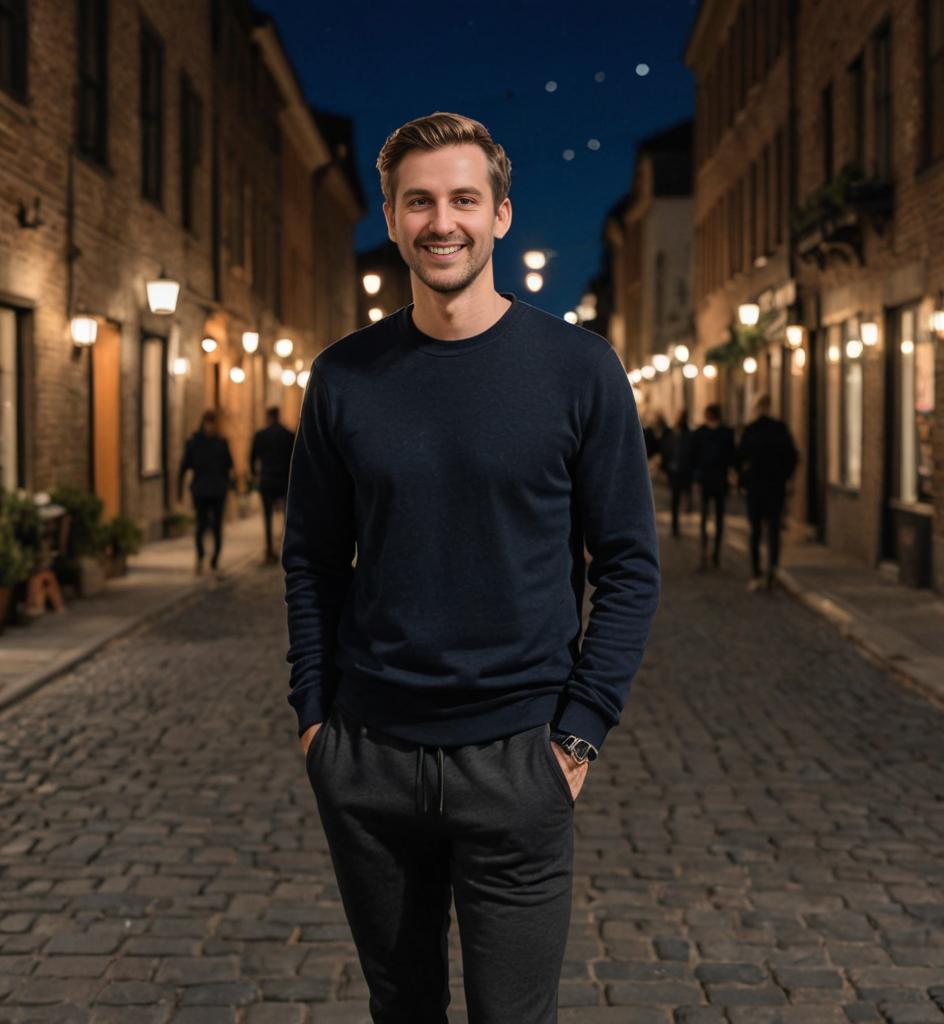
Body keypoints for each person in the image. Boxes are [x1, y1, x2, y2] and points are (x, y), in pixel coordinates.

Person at [282, 111, 660, 1024]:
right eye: (418, 201)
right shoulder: (345, 376)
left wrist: (578, 733)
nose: (439, 221)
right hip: (370, 757)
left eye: (462, 198)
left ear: (499, 215)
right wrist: (315, 720)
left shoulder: (579, 369)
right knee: (401, 1008)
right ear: (391, 214)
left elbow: (629, 564)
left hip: (519, 759)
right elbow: (312, 560)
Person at [736, 393, 798, 591]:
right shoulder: (779, 429)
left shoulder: (751, 430)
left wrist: (743, 481)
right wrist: (784, 477)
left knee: (755, 531)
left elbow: (739, 458)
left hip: (756, 487)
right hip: (775, 487)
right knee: (773, 530)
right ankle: (772, 569)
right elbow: (793, 456)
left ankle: (756, 572)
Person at [177, 410, 235, 575]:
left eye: (212, 423)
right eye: (208, 423)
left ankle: (215, 558)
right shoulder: (194, 442)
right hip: (201, 490)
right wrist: (179, 489)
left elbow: (228, 466)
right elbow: (184, 466)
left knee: (217, 527)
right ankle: (201, 555)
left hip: (217, 490)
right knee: (201, 525)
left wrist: (231, 485)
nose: (209, 426)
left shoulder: (221, 443)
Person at [689, 402, 734, 569]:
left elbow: (694, 458)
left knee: (713, 518)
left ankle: (712, 553)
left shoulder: (704, 433)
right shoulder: (721, 433)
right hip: (713, 480)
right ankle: (708, 552)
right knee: (710, 518)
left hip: (713, 480)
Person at [249, 407, 295, 562]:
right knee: (287, 516)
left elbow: (252, 459)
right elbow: (294, 460)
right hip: (284, 480)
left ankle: (269, 548)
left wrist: (255, 475)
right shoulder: (288, 435)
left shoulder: (260, 435)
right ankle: (286, 546)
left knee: (267, 516)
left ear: (268, 417)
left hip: (267, 480)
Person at [659, 409, 692, 538]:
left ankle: (677, 523)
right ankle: (675, 526)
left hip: (683, 470)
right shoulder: (671, 433)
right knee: (675, 498)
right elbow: (666, 449)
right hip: (674, 471)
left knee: (680, 497)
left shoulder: (687, 434)